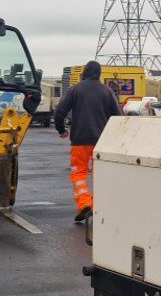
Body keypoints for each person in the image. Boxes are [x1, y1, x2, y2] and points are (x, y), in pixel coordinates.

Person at [53, 61, 123, 222]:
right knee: (101, 174)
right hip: (101, 142)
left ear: (84, 72)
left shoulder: (75, 89)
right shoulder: (107, 91)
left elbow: (59, 113)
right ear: (99, 74)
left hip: (80, 140)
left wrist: (61, 130)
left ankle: (85, 204)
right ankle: (101, 207)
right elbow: (118, 118)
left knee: (79, 172)